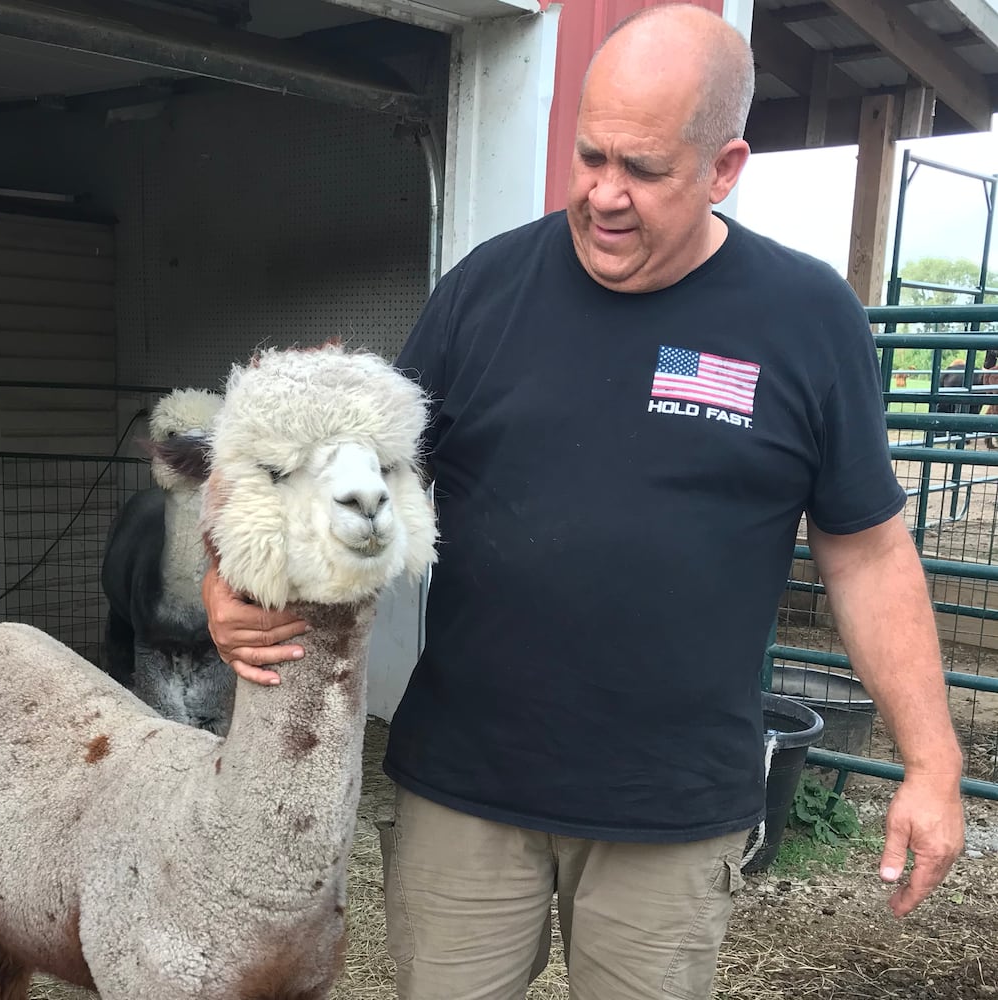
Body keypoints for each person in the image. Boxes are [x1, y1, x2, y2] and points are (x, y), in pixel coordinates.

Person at [200, 4, 967, 998]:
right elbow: (362, 474)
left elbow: (865, 550)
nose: (603, 195)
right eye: (588, 156)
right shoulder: (486, 289)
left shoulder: (805, 317)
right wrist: (233, 570)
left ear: (724, 168)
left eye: (642, 170)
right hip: (467, 792)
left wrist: (931, 759)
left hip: (672, 809)